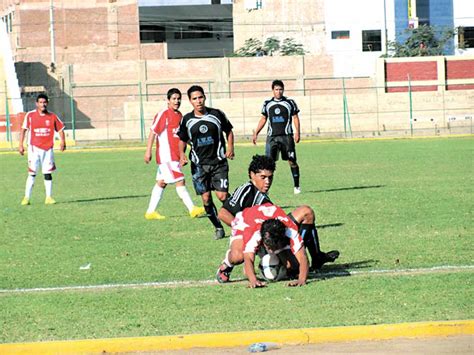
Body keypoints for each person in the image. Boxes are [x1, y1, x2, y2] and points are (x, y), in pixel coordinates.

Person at [217, 154, 339, 273]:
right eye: (263, 177)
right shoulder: (246, 189)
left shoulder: (264, 196)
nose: (267, 181)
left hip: (270, 234)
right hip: (251, 235)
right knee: (237, 257)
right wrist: (245, 231)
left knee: (306, 212)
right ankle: (227, 264)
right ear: (252, 175)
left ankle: (316, 256)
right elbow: (223, 213)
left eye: (270, 177)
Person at [177, 85, 235, 240]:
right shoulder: (187, 120)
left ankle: (238, 220)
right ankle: (218, 227)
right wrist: (182, 154)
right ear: (190, 101)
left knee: (222, 196)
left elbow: (228, 131)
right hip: (199, 165)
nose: (198, 101)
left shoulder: (216, 114)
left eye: (200, 97)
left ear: (205, 97)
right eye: (194, 98)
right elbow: (182, 139)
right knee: (206, 198)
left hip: (218, 162)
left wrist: (230, 147)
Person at [144, 88, 205, 220]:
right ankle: (192, 209)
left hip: (175, 156)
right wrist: (148, 151)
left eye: (178, 99)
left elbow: (181, 136)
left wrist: (192, 145)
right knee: (180, 180)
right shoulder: (163, 114)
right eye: (174, 99)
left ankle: (150, 212)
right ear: (168, 100)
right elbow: (153, 132)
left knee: (161, 183)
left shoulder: (179, 116)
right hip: (167, 156)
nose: (176, 101)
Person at [217, 203, 309, 288]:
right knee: (237, 257)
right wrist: (253, 280)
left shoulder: (290, 230)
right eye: (268, 246)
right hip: (245, 220)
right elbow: (248, 258)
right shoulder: (254, 233)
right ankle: (227, 264)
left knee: (292, 266)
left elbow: (303, 257)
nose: (271, 250)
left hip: (270, 225)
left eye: (272, 247)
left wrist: (301, 279)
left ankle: (271, 255)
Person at [252, 79, 302, 194]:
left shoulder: (290, 103)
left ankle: (297, 186)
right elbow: (263, 119)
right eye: (276, 89)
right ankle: (266, 189)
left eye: (280, 89)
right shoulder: (267, 104)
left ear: (283, 90)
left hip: (286, 137)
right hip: (272, 138)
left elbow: (295, 118)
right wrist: (256, 133)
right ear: (272, 90)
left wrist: (297, 132)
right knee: (268, 164)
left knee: (292, 161)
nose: (278, 92)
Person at [18, 93, 66, 205]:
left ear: (47, 103)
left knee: (47, 173)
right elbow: (23, 130)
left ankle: (48, 197)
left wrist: (63, 141)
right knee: (32, 173)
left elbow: (60, 129)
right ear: (37, 103)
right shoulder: (30, 116)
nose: (43, 104)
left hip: (48, 149)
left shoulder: (52, 116)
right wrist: (20, 144)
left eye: (44, 102)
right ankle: (26, 198)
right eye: (40, 102)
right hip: (34, 148)